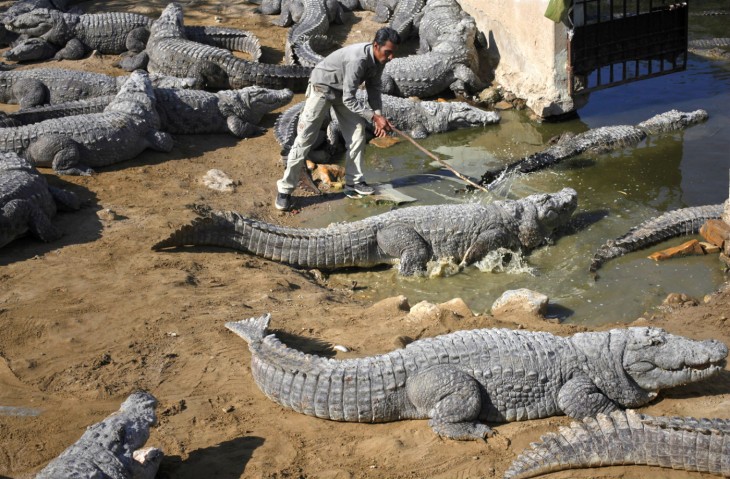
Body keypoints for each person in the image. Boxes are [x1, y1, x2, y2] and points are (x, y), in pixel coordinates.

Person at [275, 27, 401, 211]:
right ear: (376, 46)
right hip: (322, 88)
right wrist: (372, 116)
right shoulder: (358, 60)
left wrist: (378, 115)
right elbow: (351, 99)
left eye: (392, 53)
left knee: (357, 132)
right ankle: (284, 191)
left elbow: (373, 88)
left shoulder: (380, 59)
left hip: (342, 91)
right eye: (387, 52)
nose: (391, 57)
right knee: (304, 139)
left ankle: (354, 182)